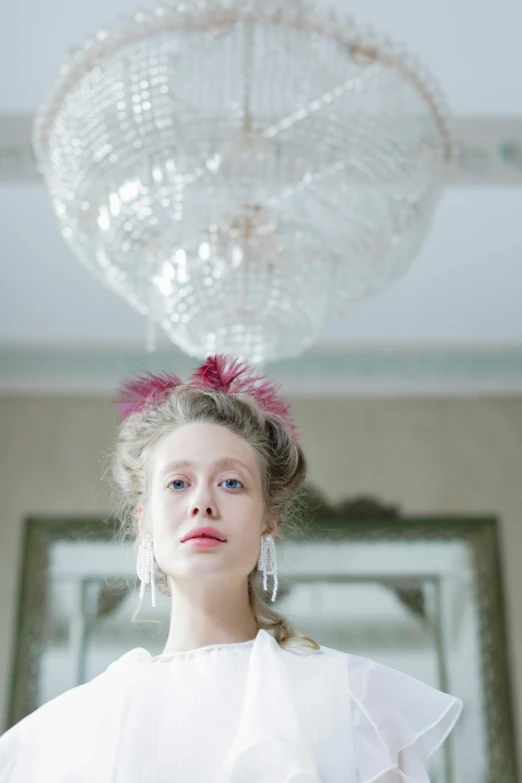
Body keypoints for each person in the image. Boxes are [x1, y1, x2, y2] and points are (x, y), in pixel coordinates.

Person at [0, 354, 463, 782]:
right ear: (144, 522)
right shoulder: (64, 734)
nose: (202, 502)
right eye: (178, 482)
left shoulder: (356, 701)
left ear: (268, 521)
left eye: (230, 482)